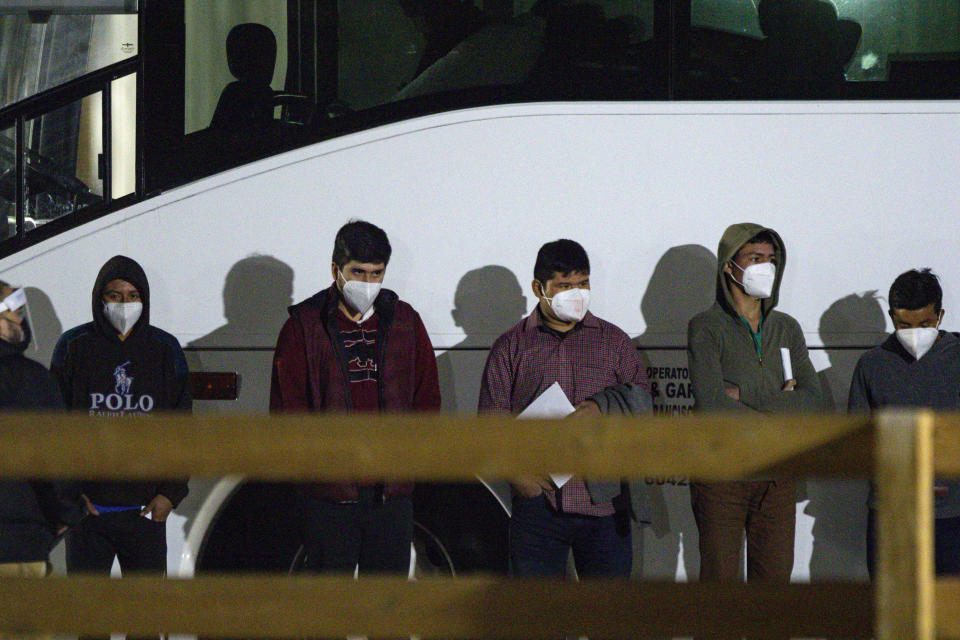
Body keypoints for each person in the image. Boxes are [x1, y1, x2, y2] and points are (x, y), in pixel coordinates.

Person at [270, 220, 440, 575]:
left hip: (390, 494)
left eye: (376, 274)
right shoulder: (303, 326)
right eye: (357, 272)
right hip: (328, 497)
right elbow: (288, 414)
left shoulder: (406, 322)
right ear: (336, 270)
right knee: (330, 607)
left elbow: (427, 401)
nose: (367, 284)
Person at [478, 239, 651, 578]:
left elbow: (643, 406)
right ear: (538, 288)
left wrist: (603, 409)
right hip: (539, 508)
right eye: (564, 285)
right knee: (540, 618)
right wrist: (520, 479)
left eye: (582, 283)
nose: (576, 293)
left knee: (608, 617)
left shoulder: (614, 342)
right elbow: (491, 425)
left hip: (605, 503)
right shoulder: (510, 346)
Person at [687, 223, 824, 583]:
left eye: (772, 260)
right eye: (756, 258)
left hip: (778, 476)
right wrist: (782, 402)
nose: (767, 267)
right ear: (729, 266)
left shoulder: (787, 328)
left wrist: (744, 394)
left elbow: (813, 402)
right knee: (720, 591)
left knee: (773, 595)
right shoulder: (705, 327)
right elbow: (713, 404)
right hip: (722, 476)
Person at [51, 255, 191, 581]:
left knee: (145, 619)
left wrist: (170, 493)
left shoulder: (164, 349)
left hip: (145, 511)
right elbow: (54, 426)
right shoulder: (73, 347)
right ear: (100, 298)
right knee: (88, 618)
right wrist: (69, 495)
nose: (124, 304)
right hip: (88, 512)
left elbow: (183, 429)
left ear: (144, 300)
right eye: (114, 296)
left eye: (133, 296)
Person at [849, 268, 960, 576]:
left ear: (940, 316)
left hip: (952, 516)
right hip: (891, 515)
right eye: (904, 325)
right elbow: (857, 442)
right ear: (892, 318)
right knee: (889, 615)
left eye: (925, 324)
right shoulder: (871, 365)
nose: (914, 333)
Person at [0, 281, 84, 578]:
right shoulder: (32, 381)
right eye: (13, 312)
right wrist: (68, 514)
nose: (21, 320)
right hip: (18, 544)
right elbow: (58, 462)